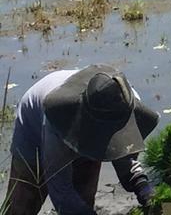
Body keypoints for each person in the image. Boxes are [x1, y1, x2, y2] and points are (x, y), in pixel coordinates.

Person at [4, 65, 160, 215]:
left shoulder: (125, 101)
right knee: (24, 203)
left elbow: (124, 151)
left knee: (84, 198)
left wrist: (141, 184)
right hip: (34, 133)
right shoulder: (57, 120)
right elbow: (60, 187)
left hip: (88, 124)